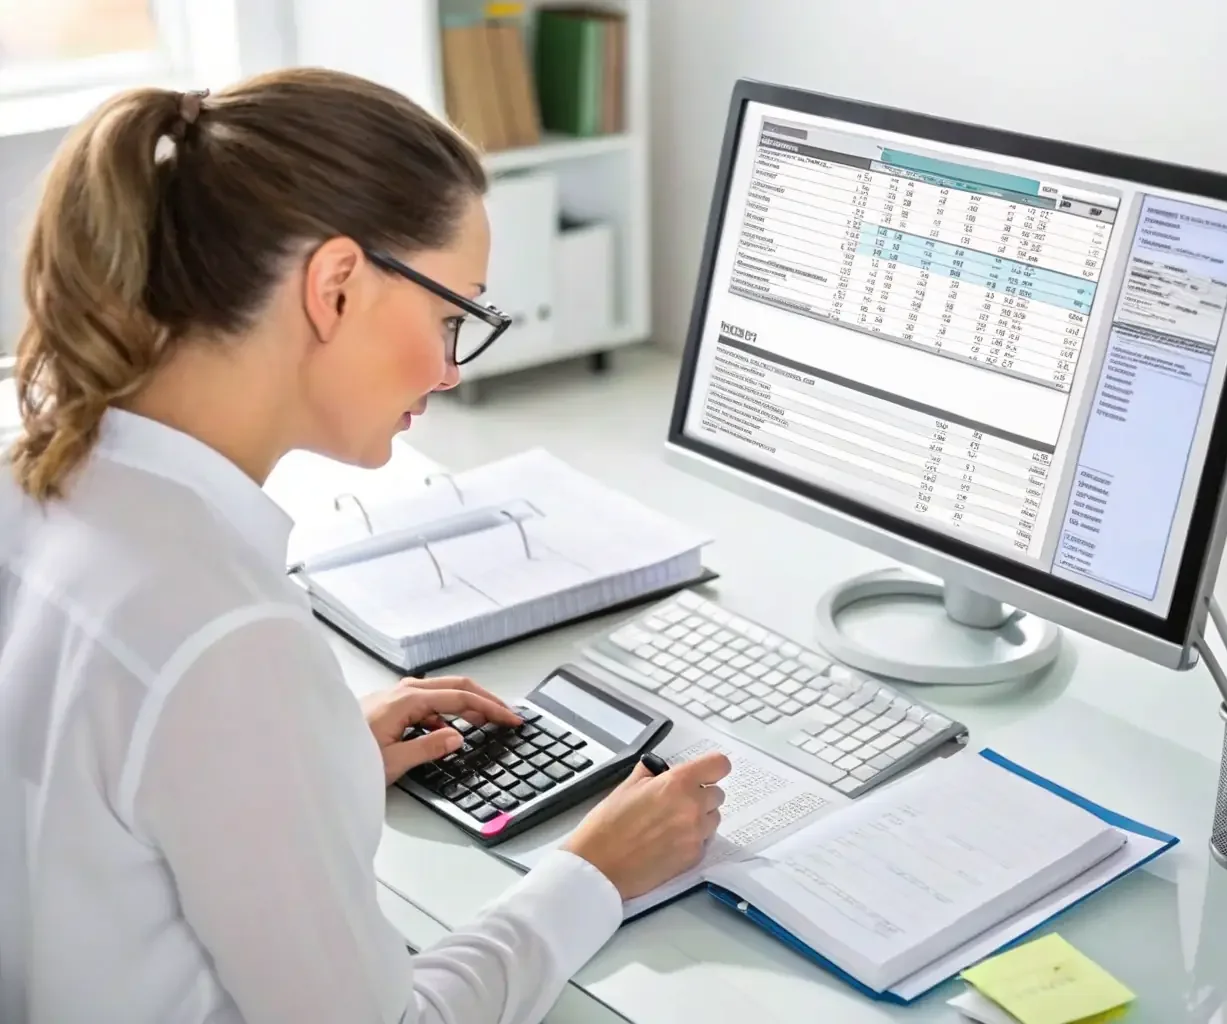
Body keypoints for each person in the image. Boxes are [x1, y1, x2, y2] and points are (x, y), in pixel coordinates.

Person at [0, 68, 731, 1024]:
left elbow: (90, 801)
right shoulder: (227, 634)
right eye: (449, 316)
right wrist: (591, 874)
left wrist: (316, 758)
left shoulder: (38, 475)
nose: (449, 369)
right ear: (336, 286)